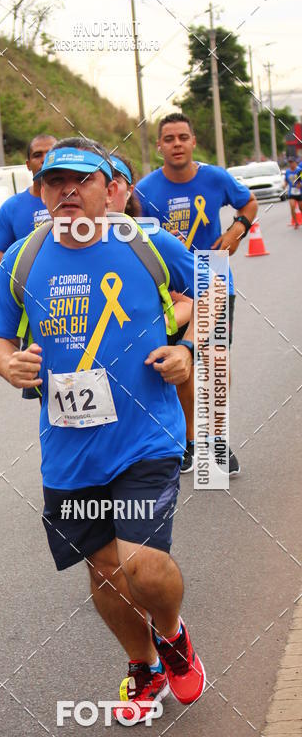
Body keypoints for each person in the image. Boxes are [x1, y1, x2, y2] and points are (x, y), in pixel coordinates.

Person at [0, 138, 206, 723]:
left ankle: (173, 635)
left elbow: (213, 292)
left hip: (146, 436)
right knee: (106, 571)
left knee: (142, 564)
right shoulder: (23, 259)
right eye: (55, 182)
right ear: (41, 192)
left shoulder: (149, 245)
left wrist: (186, 348)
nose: (67, 191)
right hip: (68, 450)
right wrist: (8, 365)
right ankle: (143, 666)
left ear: (109, 190)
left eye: (80, 181)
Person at [137, 112, 258, 476]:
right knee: (184, 368)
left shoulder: (215, 178)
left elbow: (248, 203)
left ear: (193, 142)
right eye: (169, 138)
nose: (176, 144)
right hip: (171, 290)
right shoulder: (145, 190)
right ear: (159, 146)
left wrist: (238, 230)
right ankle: (191, 441)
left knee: (217, 361)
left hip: (213, 279)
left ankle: (218, 439)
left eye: (183, 137)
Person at [109, 154, 196, 472]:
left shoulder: (150, 239)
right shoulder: (60, 244)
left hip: (162, 336)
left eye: (114, 181)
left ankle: (191, 440)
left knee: (187, 378)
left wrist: (175, 338)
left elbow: (201, 295)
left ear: (126, 189)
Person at [0, 134, 57, 271]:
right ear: (28, 165)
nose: (44, 159)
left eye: (51, 154)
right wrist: (22, 265)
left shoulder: (76, 199)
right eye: (37, 155)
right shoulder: (11, 207)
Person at [284, 156, 302, 227]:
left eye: (292, 162)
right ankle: (296, 222)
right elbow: (286, 180)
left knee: (301, 208)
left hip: (300, 192)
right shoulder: (287, 171)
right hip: (291, 192)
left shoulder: (299, 170)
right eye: (290, 163)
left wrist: (300, 184)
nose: (291, 164)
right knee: (292, 206)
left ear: (295, 163)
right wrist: (284, 185)